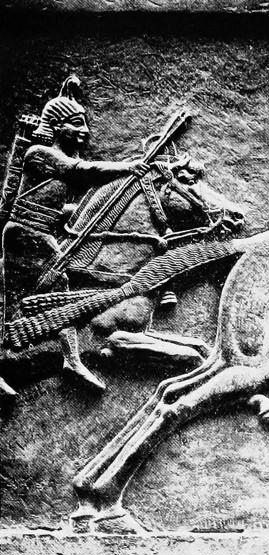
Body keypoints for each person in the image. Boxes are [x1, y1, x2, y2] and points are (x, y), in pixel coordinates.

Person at [2, 76, 150, 392]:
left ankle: (70, 359)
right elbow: (82, 172)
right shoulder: (39, 153)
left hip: (41, 235)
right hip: (24, 237)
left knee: (59, 297)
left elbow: (56, 205)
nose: (85, 131)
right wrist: (129, 167)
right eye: (77, 124)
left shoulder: (56, 160)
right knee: (16, 303)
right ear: (57, 127)